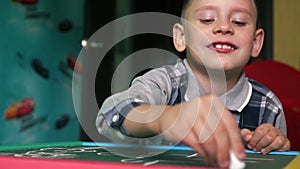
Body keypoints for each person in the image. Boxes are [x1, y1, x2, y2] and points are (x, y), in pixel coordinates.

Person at [96, 0, 291, 167]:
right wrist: (167, 118)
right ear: (181, 37)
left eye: (239, 22)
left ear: (256, 43)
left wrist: (274, 146)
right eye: (207, 19)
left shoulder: (268, 106)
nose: (224, 27)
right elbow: (111, 114)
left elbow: (278, 161)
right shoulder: (164, 84)